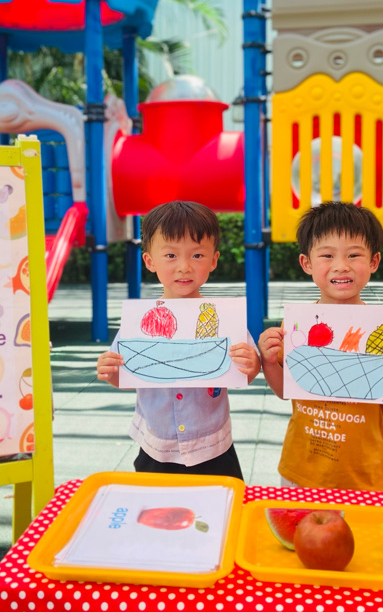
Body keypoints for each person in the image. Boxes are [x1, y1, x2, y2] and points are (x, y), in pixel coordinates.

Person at [258, 202, 383, 491]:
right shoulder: (296, 327)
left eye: (354, 255)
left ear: (374, 262)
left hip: (367, 475)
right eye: (327, 255)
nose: (341, 265)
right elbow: (286, 391)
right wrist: (269, 362)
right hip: (302, 469)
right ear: (307, 263)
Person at [96, 201, 261, 481]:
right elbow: (125, 376)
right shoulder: (139, 323)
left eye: (197, 255)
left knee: (222, 505)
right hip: (156, 447)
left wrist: (253, 364)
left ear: (213, 260)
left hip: (213, 446)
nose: (184, 267)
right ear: (150, 261)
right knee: (156, 506)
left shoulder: (224, 319)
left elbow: (245, 372)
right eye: (171, 255)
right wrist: (110, 372)